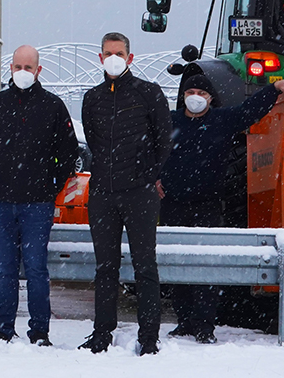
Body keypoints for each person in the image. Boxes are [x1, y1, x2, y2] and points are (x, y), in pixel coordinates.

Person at [160, 71, 284, 343]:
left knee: (207, 266)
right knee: (177, 264)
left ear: (210, 98)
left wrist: (274, 88)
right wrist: (153, 178)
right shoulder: (169, 122)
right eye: (191, 94)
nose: (195, 98)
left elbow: (249, 110)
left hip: (208, 206)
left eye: (201, 94)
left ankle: (204, 325)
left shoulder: (220, 121)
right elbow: (148, 152)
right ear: (183, 97)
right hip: (173, 204)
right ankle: (184, 322)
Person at [78, 32, 173, 356]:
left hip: (140, 194)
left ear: (130, 58)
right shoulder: (92, 98)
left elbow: (164, 141)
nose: (113, 57)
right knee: (106, 267)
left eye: (119, 52)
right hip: (103, 193)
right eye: (107, 53)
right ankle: (102, 332)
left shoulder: (149, 93)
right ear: (100, 58)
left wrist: (146, 176)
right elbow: (93, 140)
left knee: (145, 265)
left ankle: (149, 336)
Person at [0, 46, 79, 347]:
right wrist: (1, 178)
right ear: (10, 68)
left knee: (36, 268)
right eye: (18, 66)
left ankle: (39, 333)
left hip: (37, 203)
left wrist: (51, 186)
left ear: (38, 70)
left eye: (29, 67)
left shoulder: (52, 106)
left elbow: (68, 151)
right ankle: (2, 330)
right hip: (0, 201)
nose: (23, 72)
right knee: (5, 268)